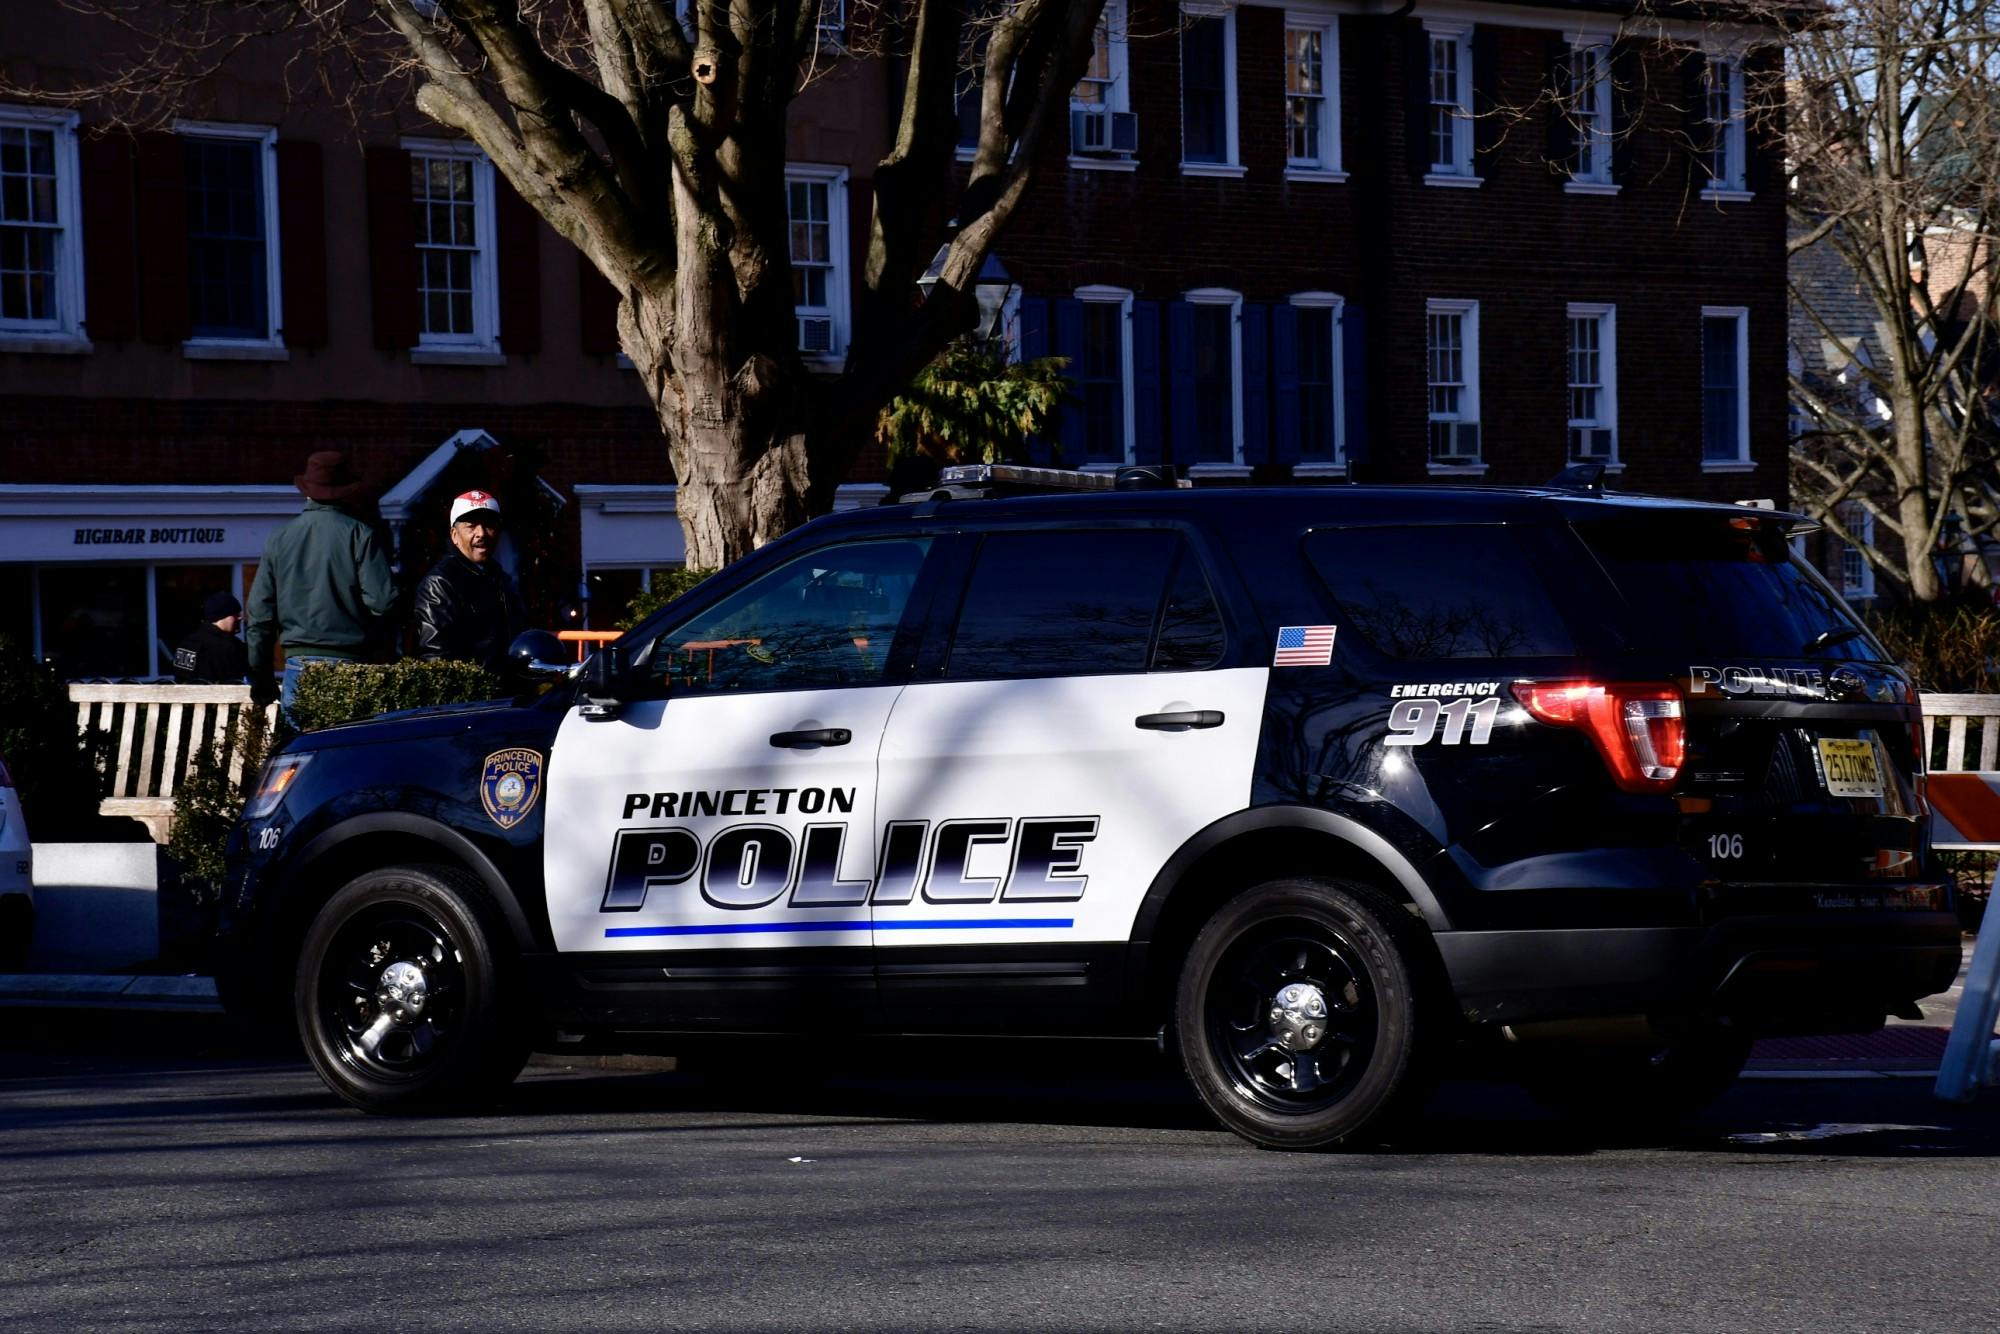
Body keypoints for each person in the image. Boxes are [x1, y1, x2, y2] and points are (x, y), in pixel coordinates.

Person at [246, 451, 397, 713]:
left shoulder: (280, 538)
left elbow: (259, 616)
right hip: (350, 664)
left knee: (303, 751)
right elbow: (383, 601)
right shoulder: (360, 534)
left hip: (298, 666)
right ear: (345, 491)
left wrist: (261, 679)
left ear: (306, 490)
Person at [413, 489, 528, 674]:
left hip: (507, 693)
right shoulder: (440, 583)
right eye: (471, 526)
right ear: (454, 535)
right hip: (471, 697)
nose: (481, 533)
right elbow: (436, 656)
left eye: (488, 525)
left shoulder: (501, 579)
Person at [171, 590, 250, 684]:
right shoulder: (229, 647)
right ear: (221, 615)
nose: (240, 618)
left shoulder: (187, 642)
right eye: (235, 614)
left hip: (181, 697)